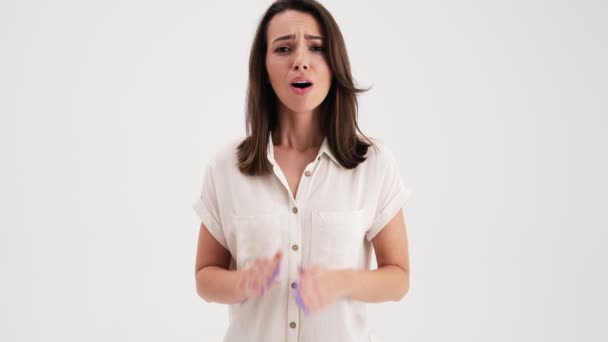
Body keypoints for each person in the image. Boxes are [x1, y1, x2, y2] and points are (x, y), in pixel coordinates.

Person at [193, 0, 412, 341]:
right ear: (263, 68)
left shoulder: (373, 164)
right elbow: (205, 277)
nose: (300, 61)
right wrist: (243, 281)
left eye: (316, 47)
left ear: (334, 62)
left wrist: (342, 281)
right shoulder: (226, 167)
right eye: (283, 48)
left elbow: (398, 277)